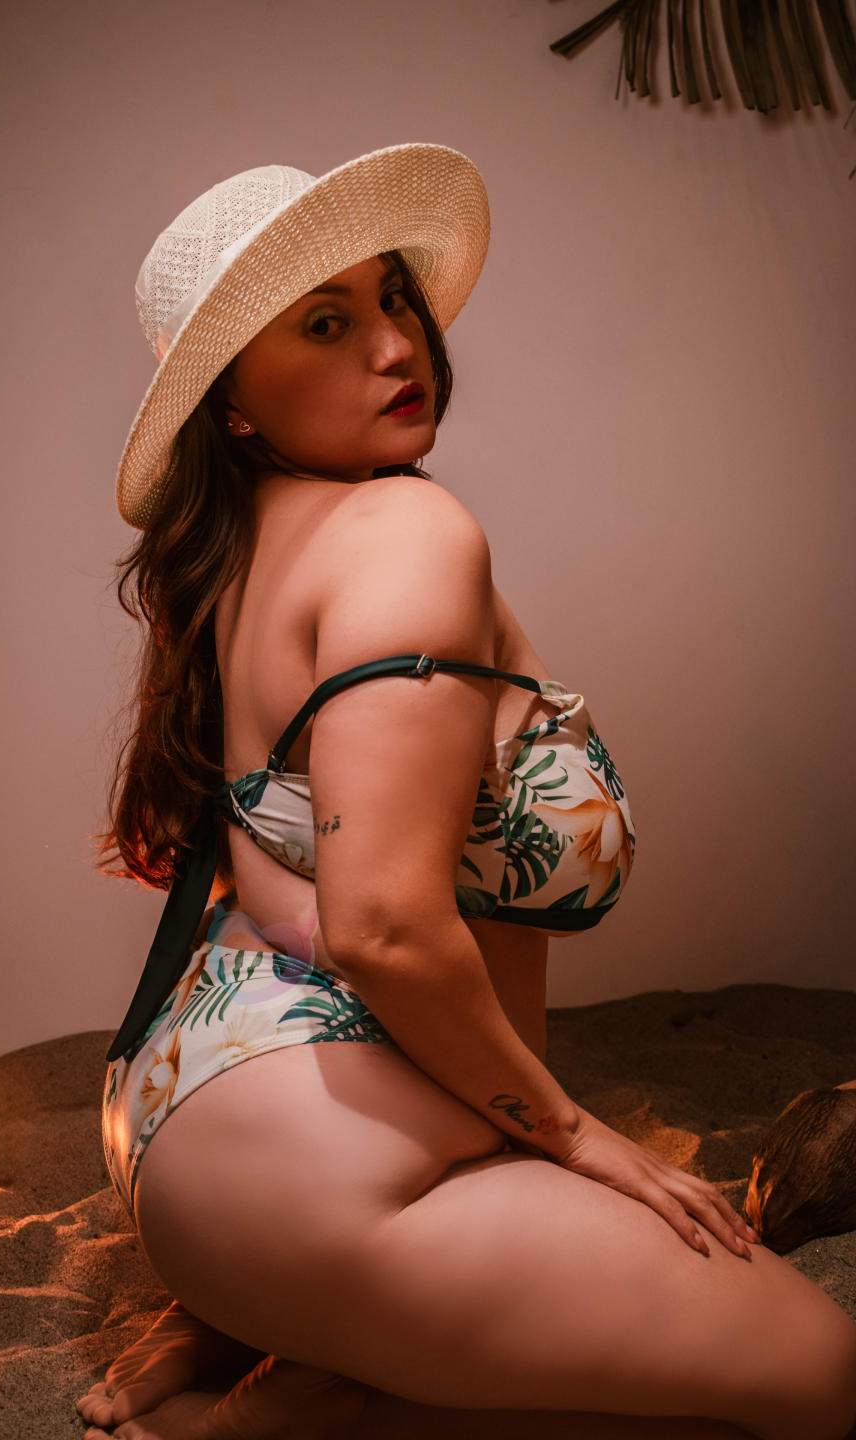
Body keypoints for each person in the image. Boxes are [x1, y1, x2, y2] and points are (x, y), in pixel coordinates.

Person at [78, 144, 856, 1440]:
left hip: (183, 1126)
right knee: (825, 1378)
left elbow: (277, 888)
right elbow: (384, 927)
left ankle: (264, 1333)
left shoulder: (241, 552)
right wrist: (578, 1137)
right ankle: (291, 1410)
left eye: (392, 298)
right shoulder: (409, 538)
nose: (397, 344)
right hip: (320, 1182)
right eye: (325, 324)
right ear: (233, 406)